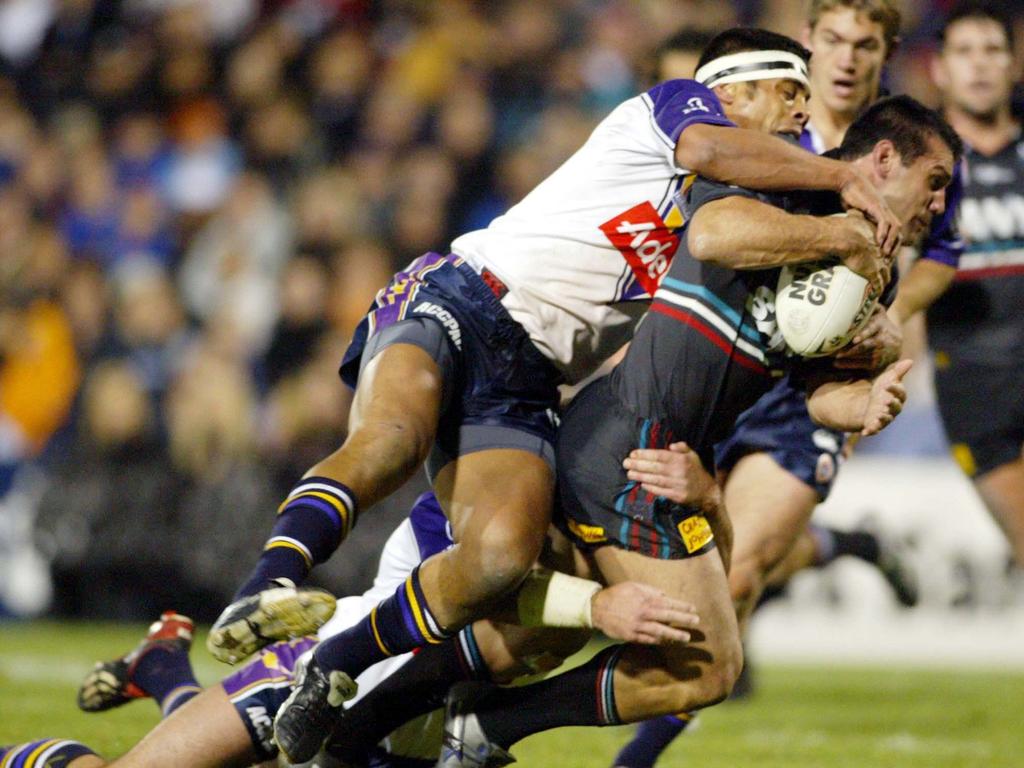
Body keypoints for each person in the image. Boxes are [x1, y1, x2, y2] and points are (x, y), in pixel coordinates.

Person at [203, 25, 902, 763]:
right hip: (466, 296)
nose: (802, 115)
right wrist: (840, 180)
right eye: (791, 93)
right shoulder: (679, 108)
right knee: (392, 441)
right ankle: (269, 584)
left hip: (534, 378)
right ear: (735, 87)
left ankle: (336, 665)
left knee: (501, 556)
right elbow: (708, 154)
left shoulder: (747, 206)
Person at [428, 94, 958, 767]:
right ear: (883, 159)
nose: (939, 206)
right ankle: (439, 709)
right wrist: (843, 235)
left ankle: (382, 703)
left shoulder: (874, 274)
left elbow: (816, 392)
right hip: (633, 434)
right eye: (934, 183)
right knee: (700, 658)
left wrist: (863, 404)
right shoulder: (787, 182)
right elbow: (711, 236)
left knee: (546, 631)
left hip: (677, 443)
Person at [612, 5, 965, 764]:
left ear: (886, 52)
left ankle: (631, 759)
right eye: (831, 40)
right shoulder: (775, 135)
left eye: (863, 44)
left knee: (736, 573)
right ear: (807, 47)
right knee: (722, 551)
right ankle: (844, 543)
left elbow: (943, 249)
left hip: (806, 384)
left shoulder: (909, 148)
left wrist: (892, 314)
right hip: (722, 361)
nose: (844, 58)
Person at [1, 493, 696, 768]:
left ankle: (160, 668)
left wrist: (708, 499)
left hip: (421, 740)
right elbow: (489, 592)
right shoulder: (486, 494)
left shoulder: (604, 503)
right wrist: (591, 606)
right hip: (321, 686)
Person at [928, 1, 1024, 568]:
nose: (980, 66)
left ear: (1014, 65)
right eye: (965, 52)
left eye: (993, 51)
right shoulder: (921, 169)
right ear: (939, 69)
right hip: (974, 387)